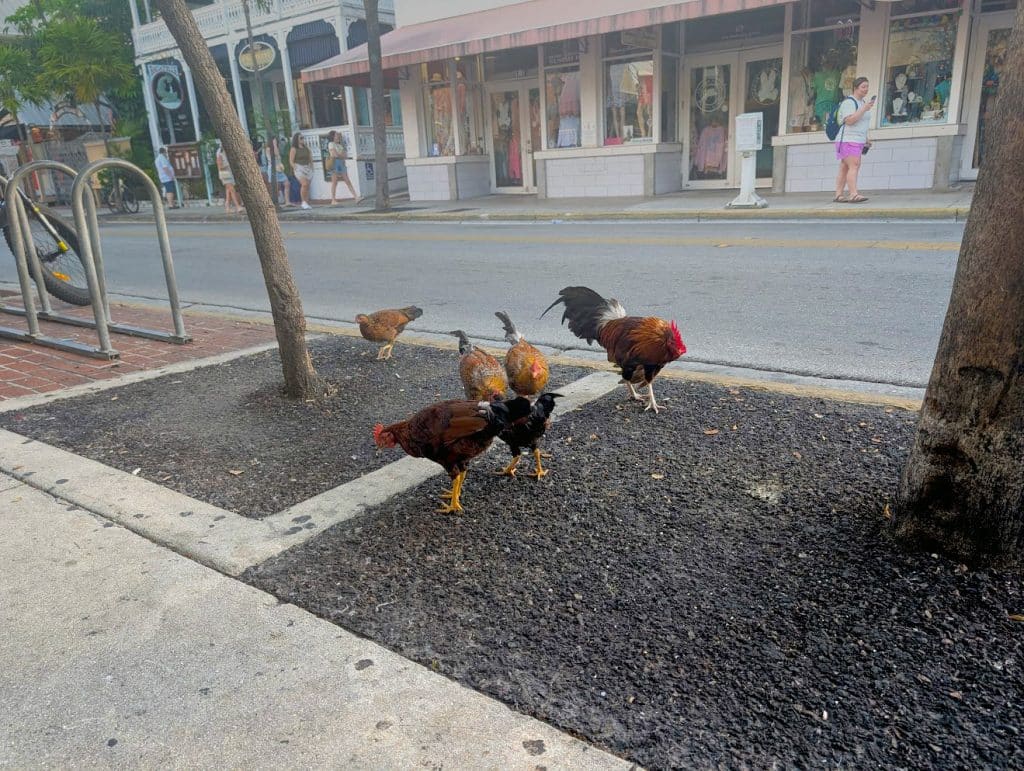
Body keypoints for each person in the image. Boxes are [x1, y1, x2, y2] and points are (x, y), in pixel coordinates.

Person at [833, 76, 874, 204]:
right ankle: (853, 194)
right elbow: (849, 120)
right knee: (854, 165)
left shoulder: (863, 103)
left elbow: (861, 123)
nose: (866, 89)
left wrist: (865, 138)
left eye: (867, 87)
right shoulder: (849, 102)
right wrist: (863, 109)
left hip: (857, 139)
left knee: (845, 166)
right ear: (855, 88)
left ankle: (838, 195)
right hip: (848, 139)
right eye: (863, 87)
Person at [327, 129, 357, 205]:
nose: (338, 136)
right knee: (335, 181)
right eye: (336, 135)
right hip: (335, 163)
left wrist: (340, 155)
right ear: (333, 136)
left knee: (347, 180)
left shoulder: (339, 145)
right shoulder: (331, 144)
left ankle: (355, 196)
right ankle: (333, 199)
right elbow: (335, 154)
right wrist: (341, 155)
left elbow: (345, 155)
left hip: (341, 163)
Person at [289, 132, 314, 210]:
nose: (303, 139)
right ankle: (303, 202)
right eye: (301, 138)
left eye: (303, 138)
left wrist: (312, 166)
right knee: (304, 184)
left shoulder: (306, 148)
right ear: (297, 139)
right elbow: (291, 160)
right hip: (299, 167)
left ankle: (306, 202)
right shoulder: (294, 149)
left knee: (307, 186)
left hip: (307, 167)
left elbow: (310, 157)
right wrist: (294, 167)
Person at [215, 142, 242, 214]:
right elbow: (220, 167)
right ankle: (237, 206)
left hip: (229, 173)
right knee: (232, 190)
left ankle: (227, 206)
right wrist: (228, 165)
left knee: (228, 190)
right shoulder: (220, 154)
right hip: (224, 173)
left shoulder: (225, 153)